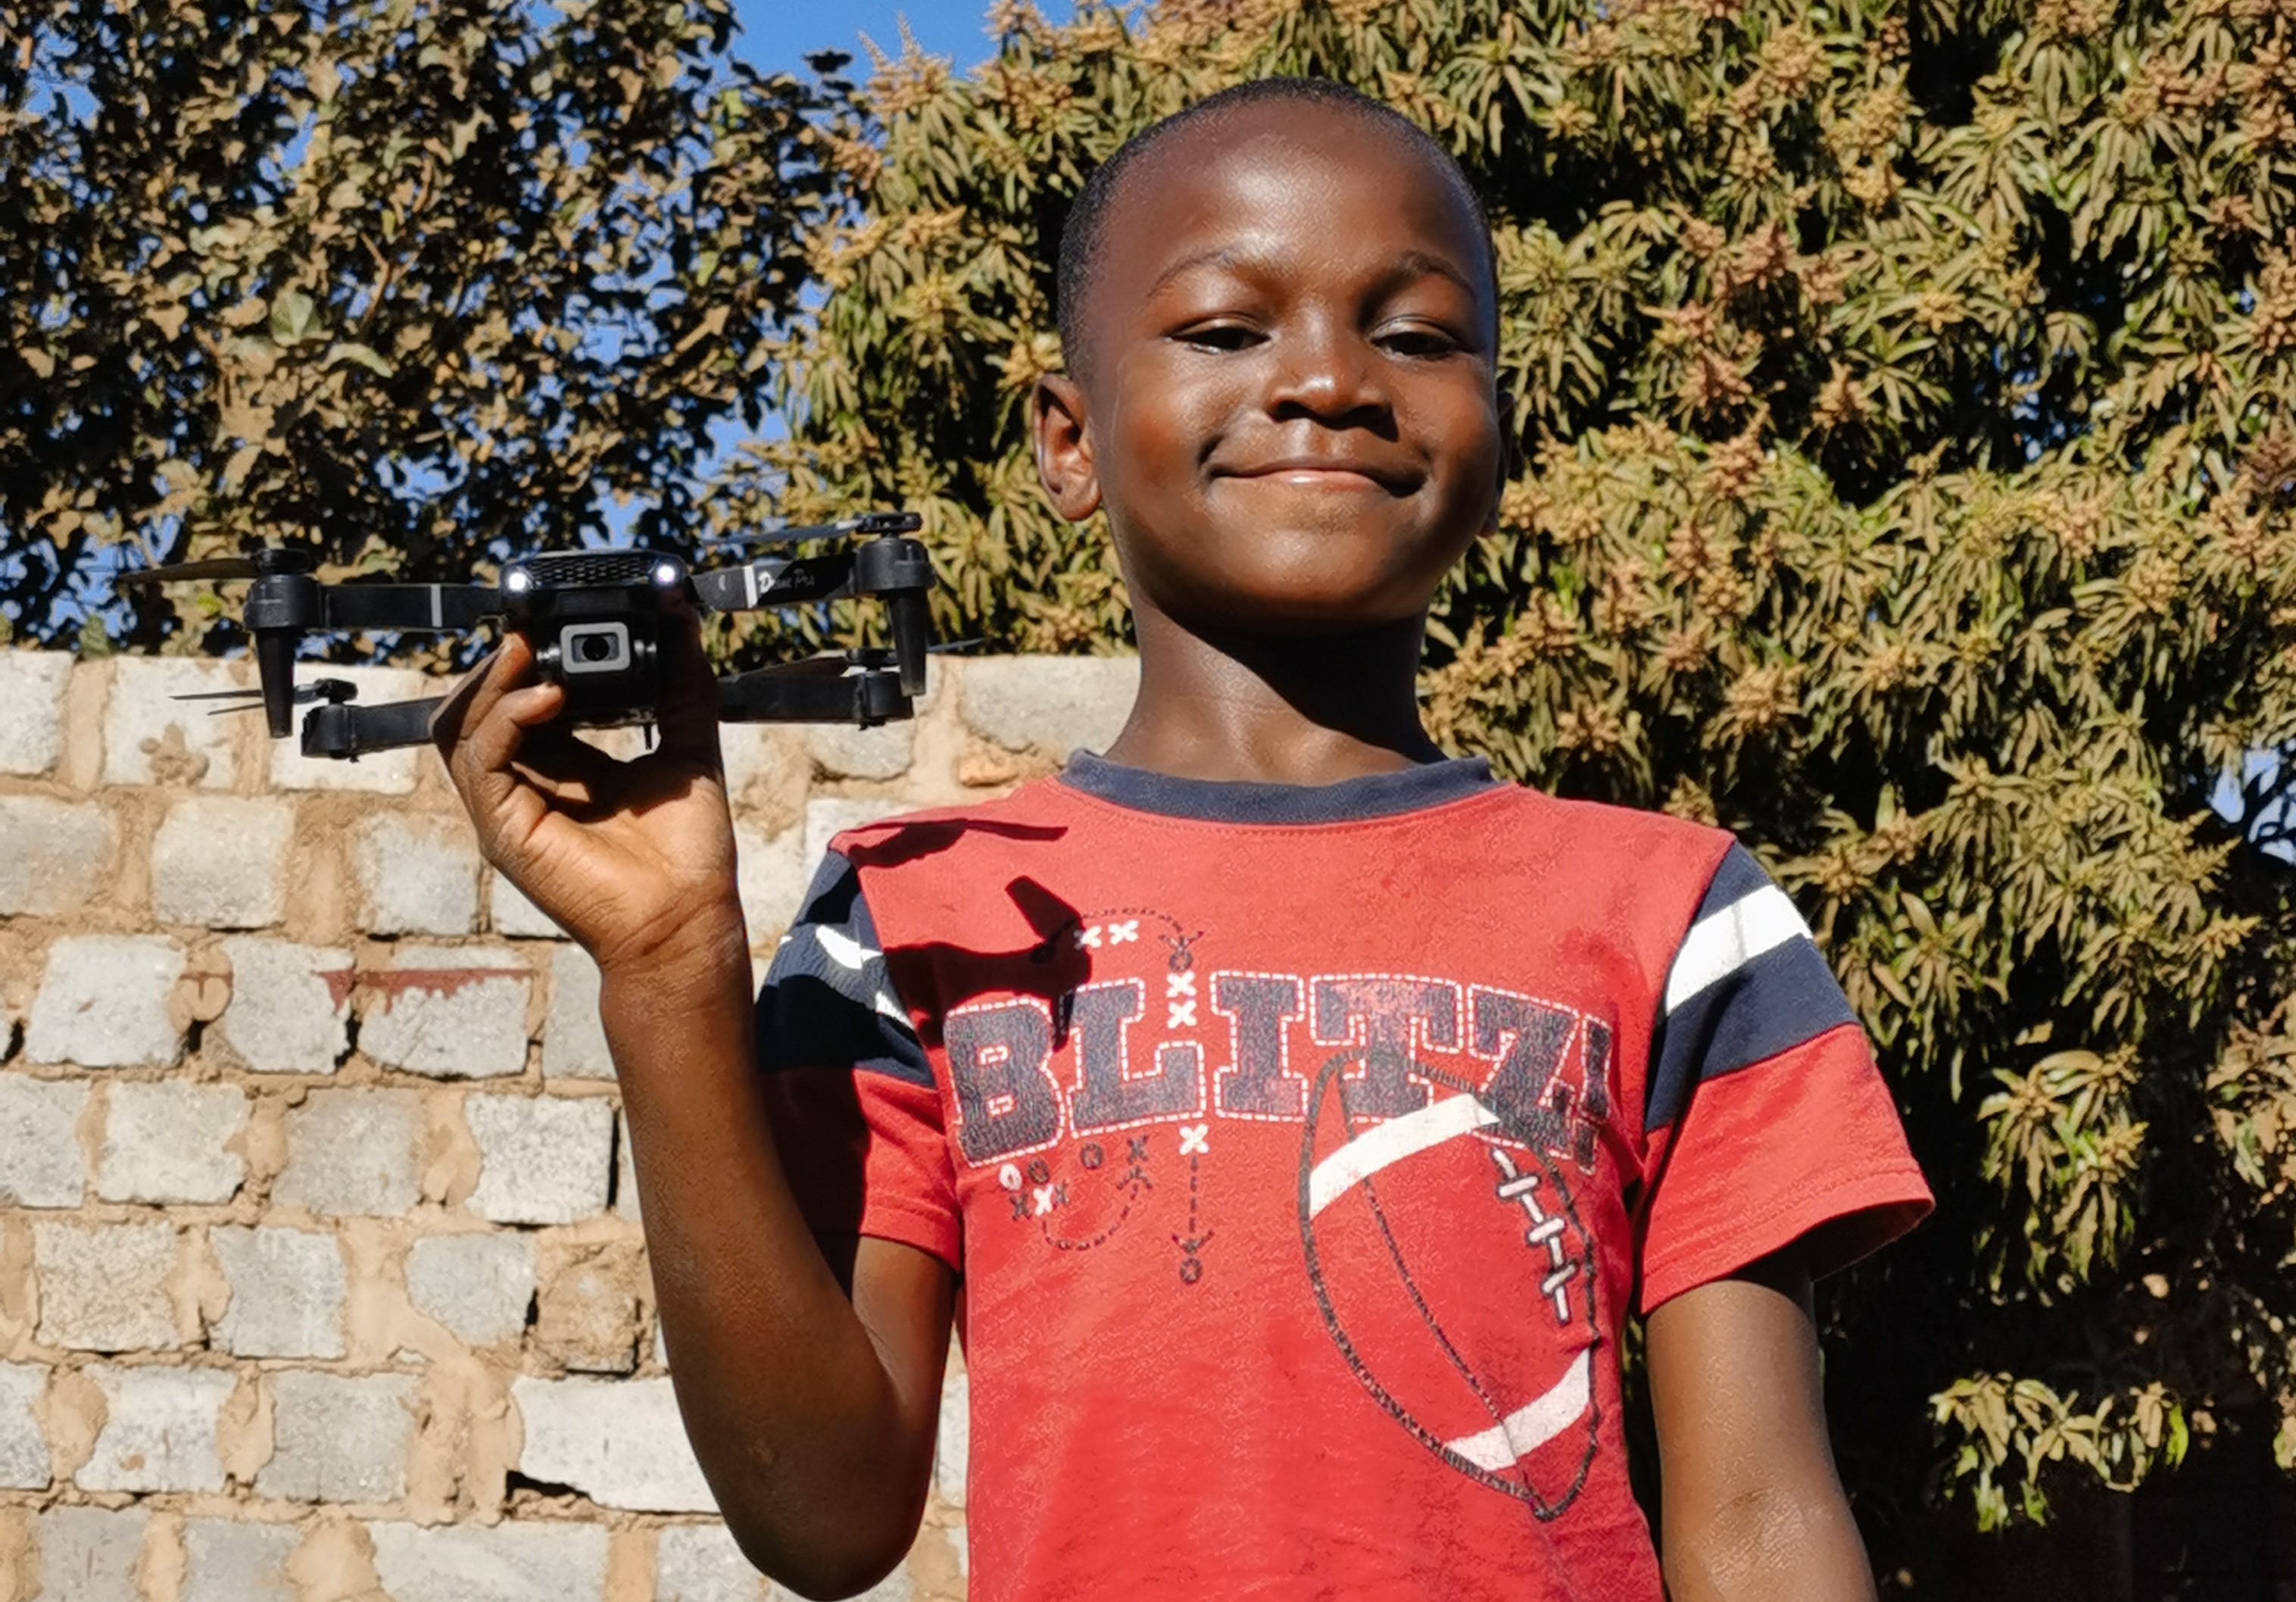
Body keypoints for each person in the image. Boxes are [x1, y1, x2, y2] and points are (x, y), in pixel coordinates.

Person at [436, 77, 1932, 1602]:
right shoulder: (916, 917)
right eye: (1227, 330)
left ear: (1495, 430)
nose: (1329, 382)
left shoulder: (1678, 913)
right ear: (1067, 442)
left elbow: (1754, 1516)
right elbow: (821, 1516)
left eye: (1414, 334)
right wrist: (668, 972)